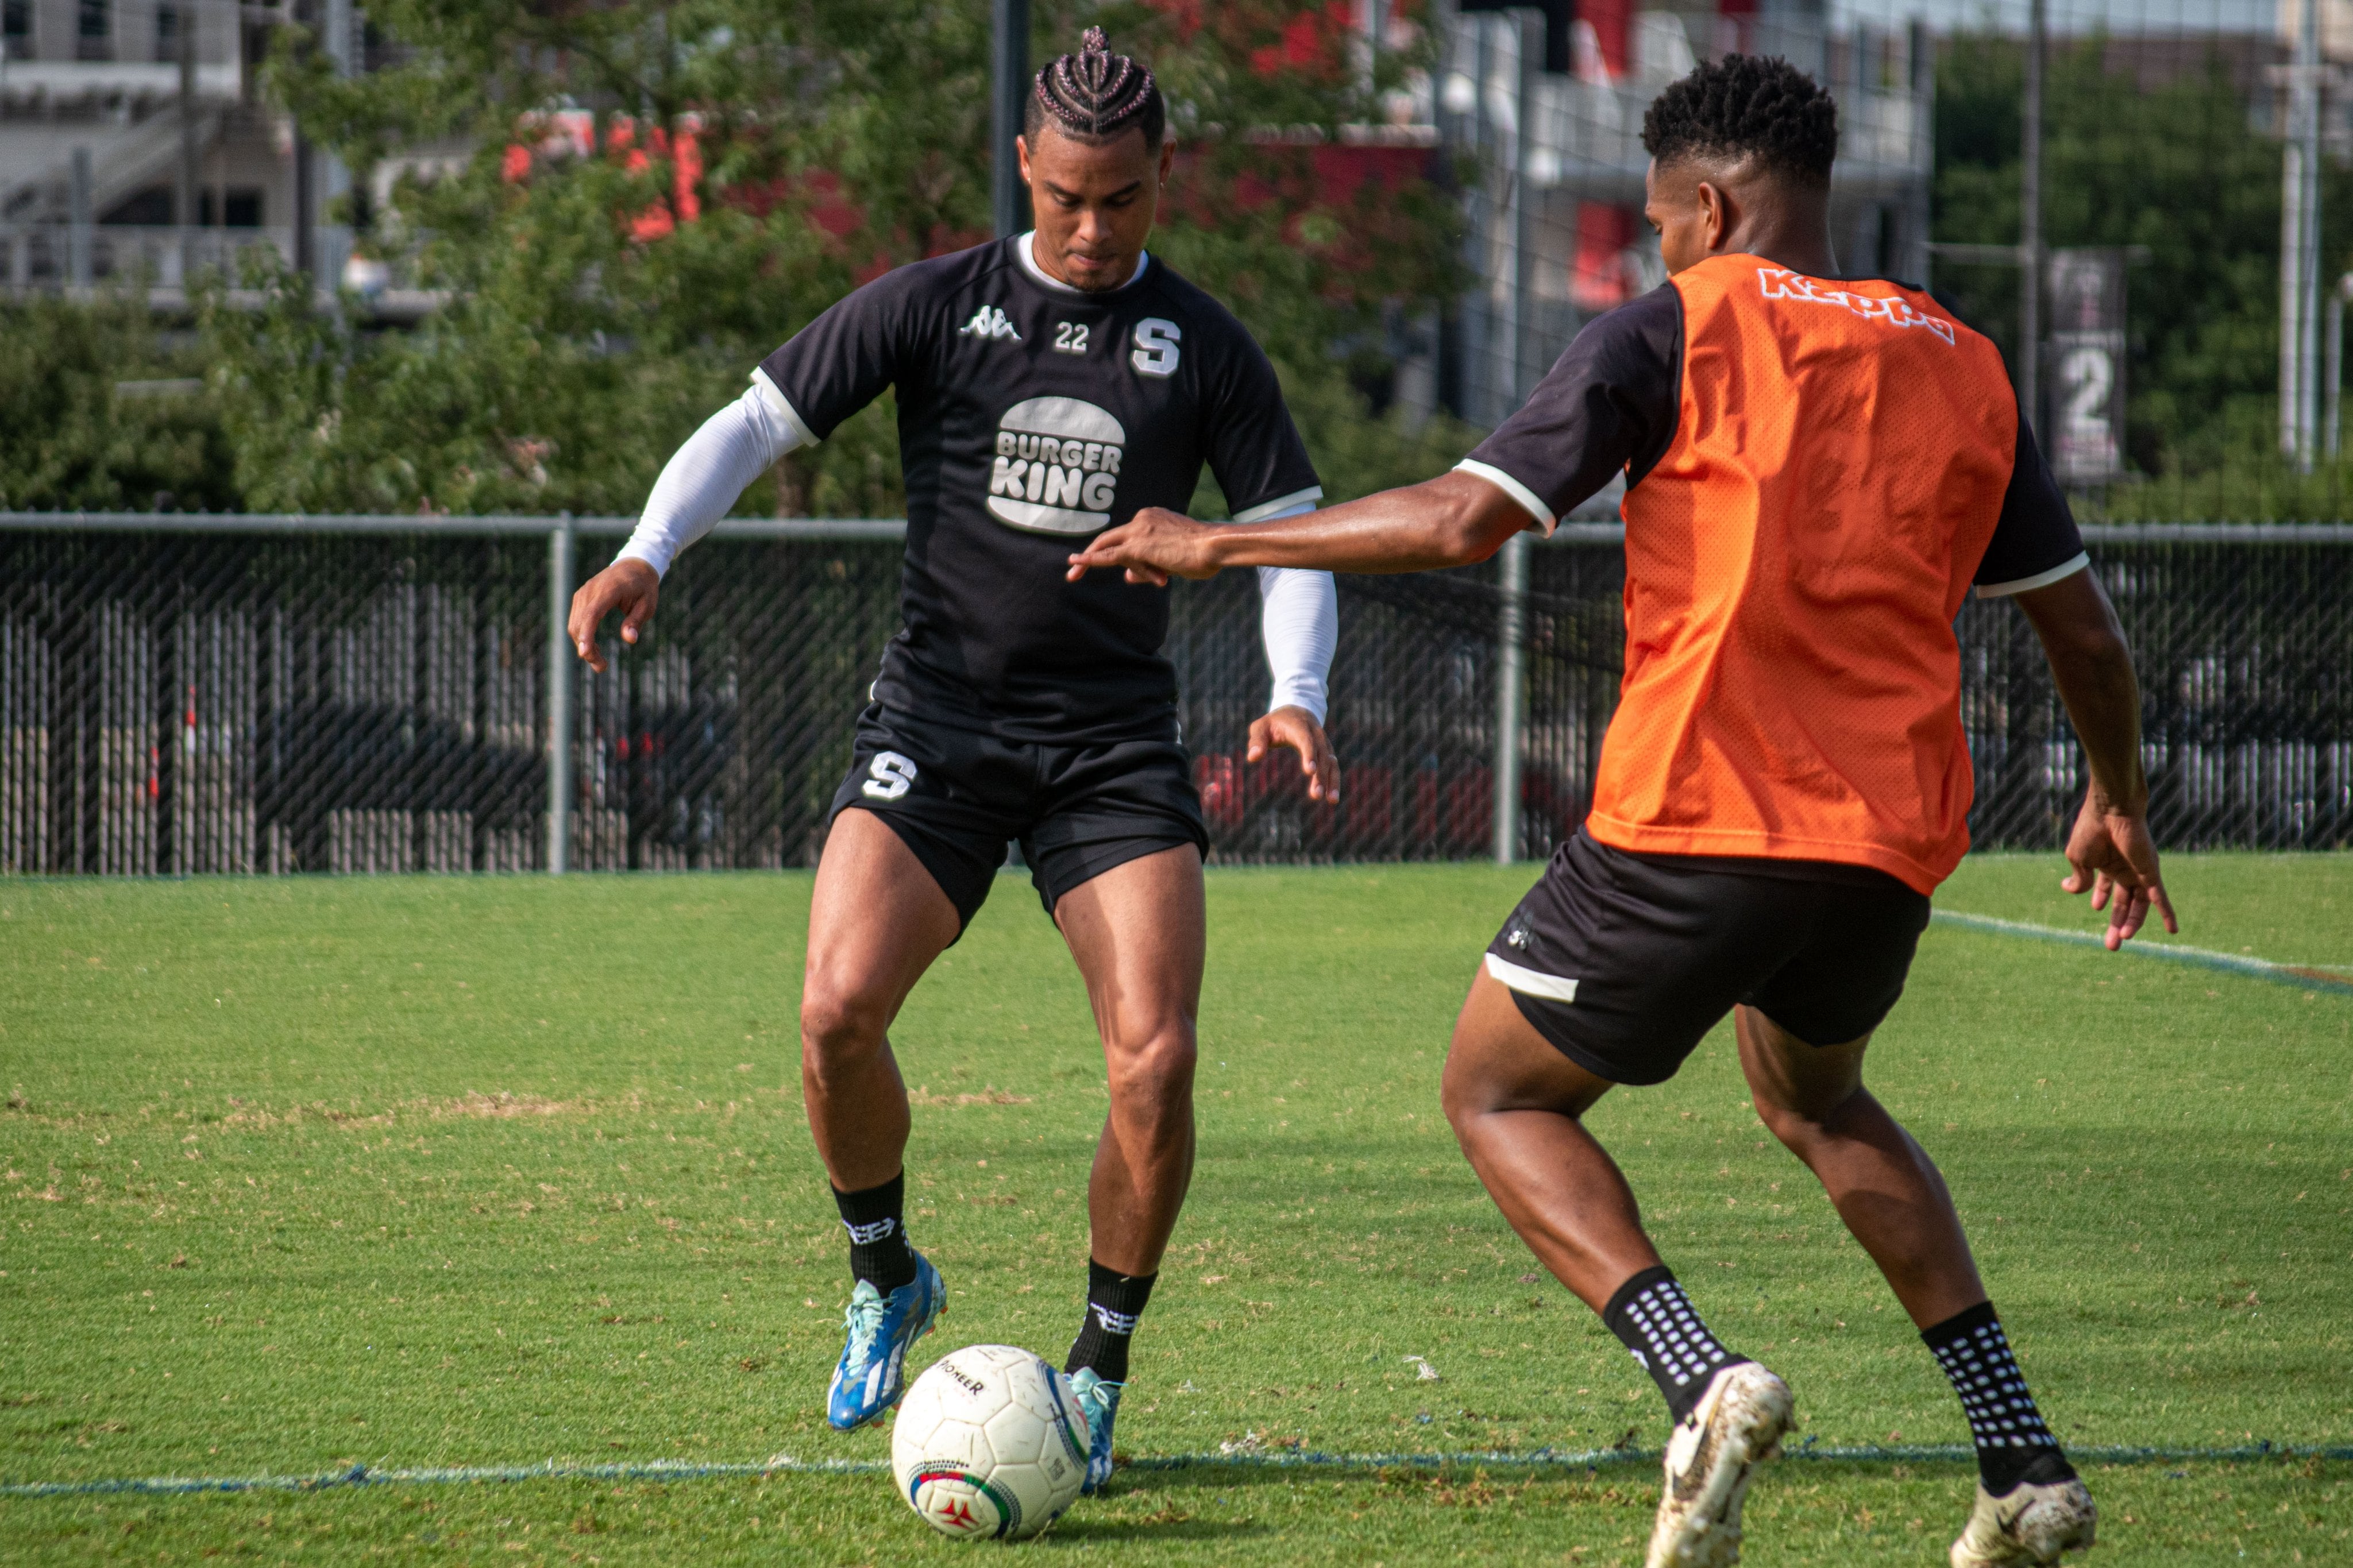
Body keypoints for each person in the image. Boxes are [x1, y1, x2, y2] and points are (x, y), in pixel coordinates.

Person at [1067, 53, 2172, 1568]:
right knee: (1819, 1099)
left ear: (1707, 208)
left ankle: (1698, 1372)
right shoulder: (1964, 359)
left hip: (1693, 823)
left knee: (1496, 1091)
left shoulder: (1678, 326)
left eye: (1661, 223)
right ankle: (2021, 1460)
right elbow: (2090, 640)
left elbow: (1466, 518)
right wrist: (2115, 801)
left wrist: (1220, 549)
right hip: (1883, 855)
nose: (1660, 246)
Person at [566, 29, 1341, 1494]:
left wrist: (1295, 692)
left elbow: (1291, 524)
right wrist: (642, 553)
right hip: (936, 728)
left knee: (1156, 1063)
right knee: (833, 1012)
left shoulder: (1205, 347)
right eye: (1065, 198)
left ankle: (1096, 1378)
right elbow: (753, 422)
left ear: (1163, 177)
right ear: (1024, 173)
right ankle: (884, 1271)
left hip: (1111, 754)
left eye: (1121, 198)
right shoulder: (935, 306)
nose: (1093, 228)